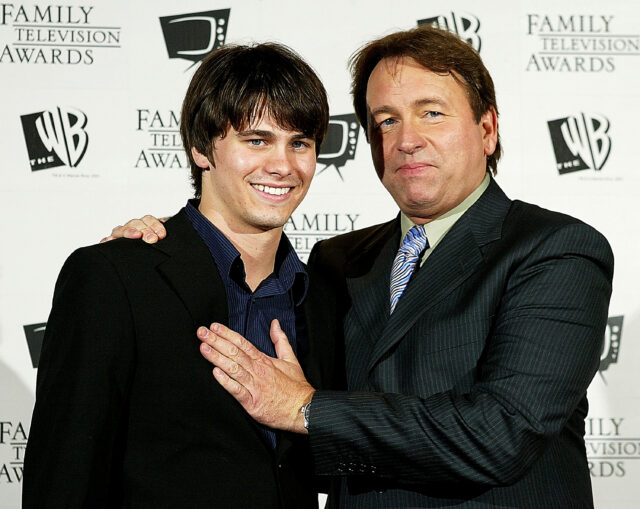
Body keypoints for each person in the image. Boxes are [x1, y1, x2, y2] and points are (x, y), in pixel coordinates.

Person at [111, 26, 614, 508]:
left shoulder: (556, 250)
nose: (407, 139)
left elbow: (502, 432)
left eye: (432, 113)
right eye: (386, 121)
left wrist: (306, 409)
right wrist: (173, 246)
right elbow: (290, 443)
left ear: (487, 129)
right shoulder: (336, 262)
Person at [22, 42, 333, 509]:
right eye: (257, 140)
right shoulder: (114, 278)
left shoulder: (323, 297)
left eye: (300, 143)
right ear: (201, 149)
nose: (283, 165)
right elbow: (65, 479)